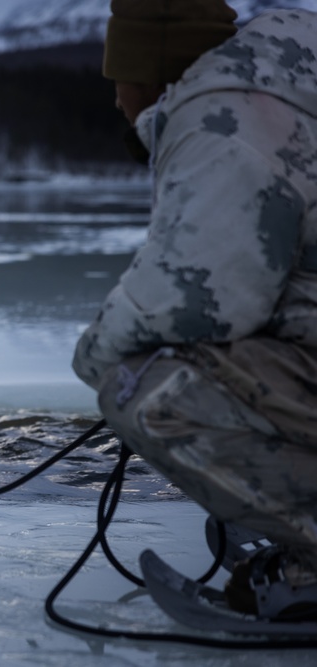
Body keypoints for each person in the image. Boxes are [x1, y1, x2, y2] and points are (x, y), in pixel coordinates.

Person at [73, 0, 317, 619]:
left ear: (147, 76)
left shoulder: (223, 119)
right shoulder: (284, 65)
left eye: (116, 83)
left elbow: (196, 301)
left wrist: (96, 353)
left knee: (147, 390)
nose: (115, 102)